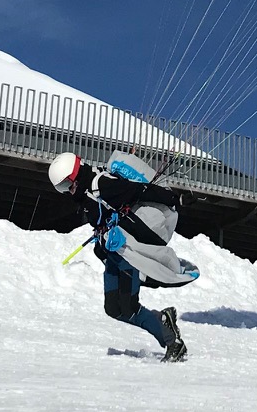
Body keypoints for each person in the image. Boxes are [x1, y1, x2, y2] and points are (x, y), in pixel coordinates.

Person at [50, 151, 197, 362]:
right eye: (61, 188)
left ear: (75, 175)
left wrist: (175, 199)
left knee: (129, 306)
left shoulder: (102, 185)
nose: (66, 191)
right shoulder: (86, 194)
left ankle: (173, 342)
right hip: (114, 254)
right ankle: (162, 320)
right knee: (113, 309)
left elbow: (140, 191)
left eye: (66, 185)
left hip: (128, 252)